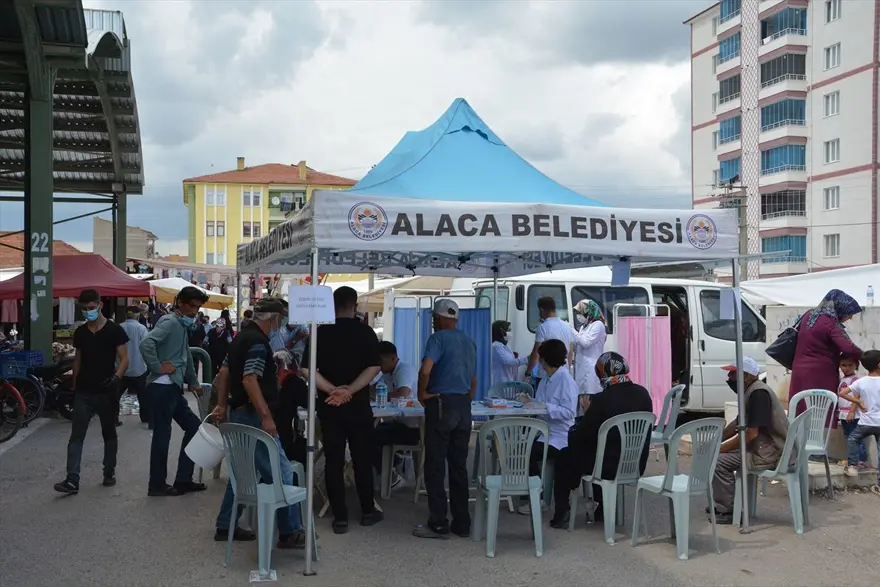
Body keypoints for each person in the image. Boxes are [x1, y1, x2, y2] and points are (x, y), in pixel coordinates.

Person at [211, 298, 305, 547]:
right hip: (254, 416)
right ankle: (290, 531)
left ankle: (225, 525)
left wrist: (221, 404)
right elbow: (249, 379)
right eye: (281, 319)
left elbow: (224, 372)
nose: (281, 324)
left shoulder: (240, 338)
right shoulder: (258, 343)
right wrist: (265, 416)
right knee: (281, 471)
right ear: (274, 318)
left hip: (239, 412)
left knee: (242, 472)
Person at [301, 286, 382, 535]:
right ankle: (367, 510)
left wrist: (332, 390)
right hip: (359, 407)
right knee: (362, 460)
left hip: (330, 406)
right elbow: (374, 367)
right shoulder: (366, 332)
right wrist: (351, 391)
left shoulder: (319, 333)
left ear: (332, 306)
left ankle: (340, 517)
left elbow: (306, 369)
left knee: (333, 461)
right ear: (354, 306)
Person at [54, 289, 130, 494]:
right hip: (84, 392)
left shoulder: (114, 330)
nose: (88, 312)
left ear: (100, 305)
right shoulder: (80, 333)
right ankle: (72, 480)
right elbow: (77, 360)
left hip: (106, 391)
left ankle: (109, 472)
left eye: (91, 308)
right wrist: (74, 384)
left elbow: (124, 359)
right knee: (76, 436)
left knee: (109, 433)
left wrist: (116, 378)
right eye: (84, 309)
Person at [413, 299, 477, 540]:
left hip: (441, 404)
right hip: (463, 405)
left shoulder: (437, 339)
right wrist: (465, 399)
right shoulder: (468, 340)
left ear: (439, 318)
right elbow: (473, 378)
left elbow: (425, 370)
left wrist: (422, 394)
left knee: (435, 464)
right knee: (459, 466)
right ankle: (462, 523)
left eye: (434, 317)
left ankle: (439, 522)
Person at [564, 352, 653, 524]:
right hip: (635, 464)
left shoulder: (601, 400)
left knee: (574, 448)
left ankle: (563, 507)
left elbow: (584, 434)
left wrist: (588, 411)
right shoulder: (643, 394)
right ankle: (602, 506)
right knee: (602, 449)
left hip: (607, 468)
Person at [140, 286, 209, 497]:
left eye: (197, 308)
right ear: (180, 303)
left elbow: (185, 355)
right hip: (163, 386)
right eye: (192, 306)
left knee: (193, 427)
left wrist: (193, 382)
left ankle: (183, 479)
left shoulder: (180, 325)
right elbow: (146, 343)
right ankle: (157, 484)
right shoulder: (170, 322)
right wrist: (157, 366)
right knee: (163, 435)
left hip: (172, 386)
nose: (194, 311)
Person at [711, 357, 791, 523]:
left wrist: (720, 448)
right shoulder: (751, 391)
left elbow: (750, 434)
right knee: (717, 454)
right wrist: (717, 440)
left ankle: (728, 510)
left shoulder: (758, 394)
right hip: (762, 447)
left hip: (769, 453)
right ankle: (722, 502)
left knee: (718, 462)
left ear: (746, 376)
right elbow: (738, 423)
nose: (729, 378)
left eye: (733, 374)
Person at [518, 339, 579, 524]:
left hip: (561, 435)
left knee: (529, 453)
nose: (540, 362)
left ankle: (538, 497)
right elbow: (541, 403)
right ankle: (536, 494)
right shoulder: (546, 378)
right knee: (522, 448)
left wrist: (544, 407)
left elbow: (569, 412)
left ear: (546, 359)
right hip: (545, 431)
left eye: (541, 358)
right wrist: (530, 401)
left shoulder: (565, 380)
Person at [789, 289, 863, 417]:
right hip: (819, 373)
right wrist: (868, 357)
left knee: (801, 407)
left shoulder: (808, 315)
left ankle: (800, 431)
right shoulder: (830, 322)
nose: (850, 317)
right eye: (849, 313)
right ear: (840, 308)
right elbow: (848, 348)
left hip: (798, 370)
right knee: (820, 410)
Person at [371, 341, 420, 487]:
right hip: (400, 422)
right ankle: (398, 463)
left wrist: (379, 394)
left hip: (414, 428)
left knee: (368, 439)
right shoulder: (387, 373)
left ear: (393, 358)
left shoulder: (404, 370)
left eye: (381, 361)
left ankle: (393, 476)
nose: (379, 365)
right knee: (367, 433)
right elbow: (373, 388)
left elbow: (402, 394)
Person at [838, 350, 880, 494]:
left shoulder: (861, 381)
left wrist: (858, 402)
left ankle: (852, 466)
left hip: (866, 422)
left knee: (853, 439)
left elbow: (842, 393)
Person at [525, 296, 574, 389]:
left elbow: (536, 353)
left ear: (541, 310)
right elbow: (570, 352)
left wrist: (528, 372)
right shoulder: (567, 327)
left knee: (543, 397)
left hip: (545, 375)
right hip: (563, 373)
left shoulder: (543, 328)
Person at [118, 306, 150, 428]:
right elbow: (147, 347)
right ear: (138, 315)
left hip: (122, 369)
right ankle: (145, 417)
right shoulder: (141, 328)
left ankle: (113, 418)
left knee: (115, 395)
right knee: (143, 395)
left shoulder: (119, 327)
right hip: (139, 368)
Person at [571, 299, 607, 402]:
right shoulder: (583, 327)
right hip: (581, 368)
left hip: (591, 369)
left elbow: (586, 343)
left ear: (588, 311)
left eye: (580, 312)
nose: (578, 316)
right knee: (582, 401)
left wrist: (572, 330)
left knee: (590, 401)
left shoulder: (598, 325)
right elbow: (578, 343)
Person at [838, 357, 868, 476]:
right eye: (844, 365)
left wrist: (851, 412)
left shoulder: (855, 380)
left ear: (856, 366)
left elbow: (857, 397)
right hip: (843, 414)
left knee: (855, 437)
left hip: (853, 414)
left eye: (850, 365)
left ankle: (861, 460)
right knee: (849, 437)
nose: (847, 368)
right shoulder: (842, 379)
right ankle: (854, 459)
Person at [491, 320, 527, 384]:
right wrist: (527, 359)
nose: (510, 332)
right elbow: (509, 362)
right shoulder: (495, 346)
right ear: (501, 331)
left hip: (508, 380)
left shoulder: (506, 345)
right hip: (500, 382)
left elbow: (513, 361)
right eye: (508, 330)